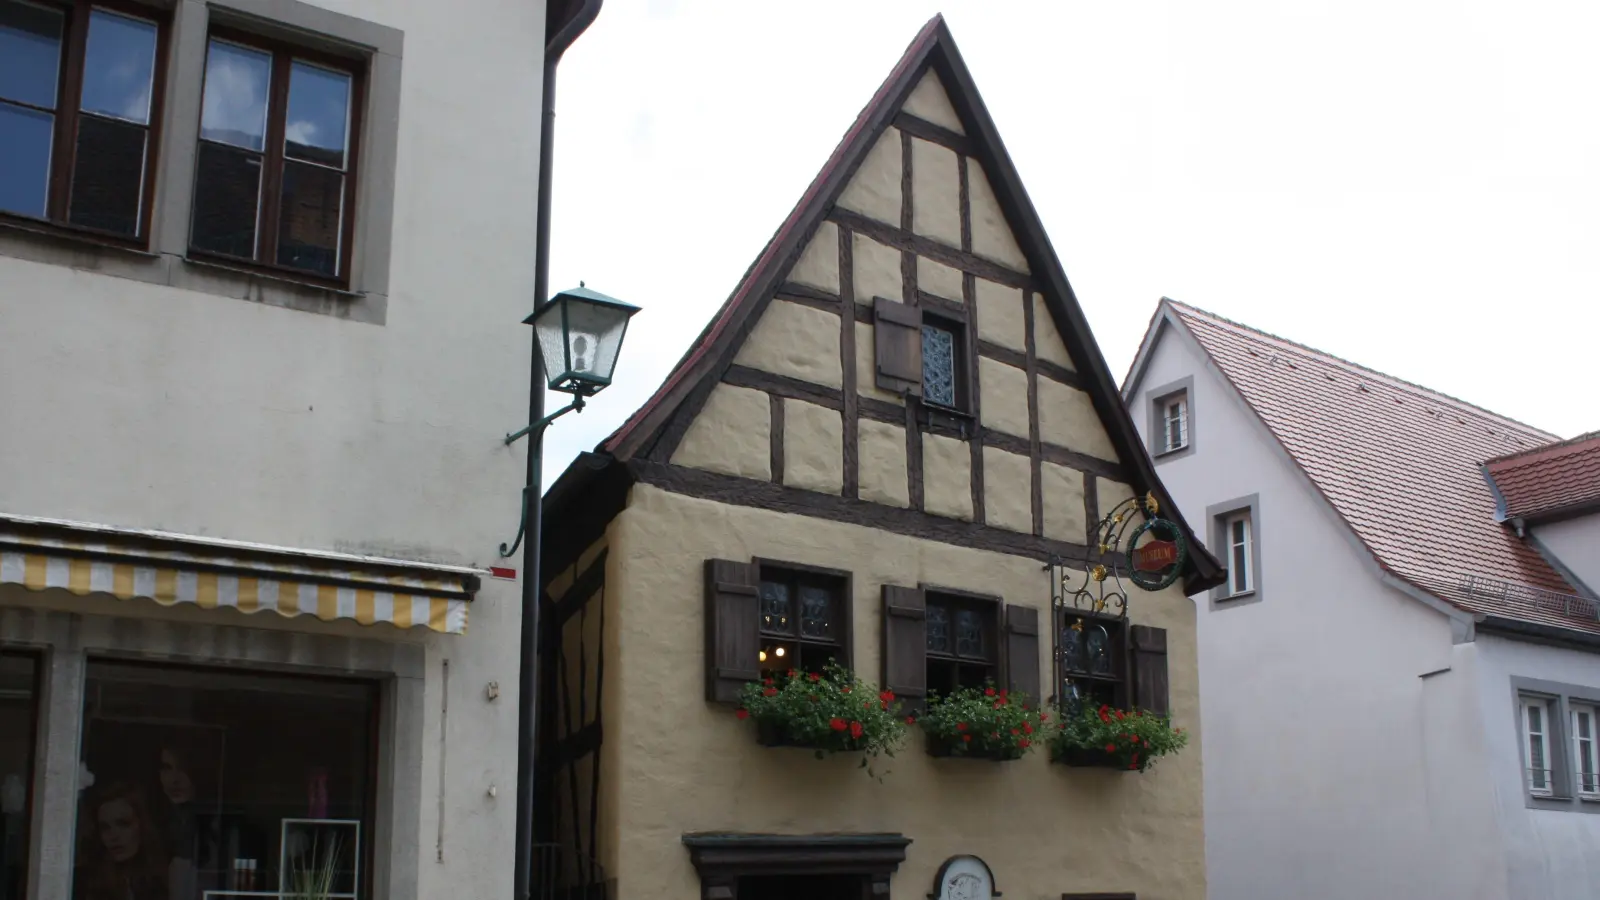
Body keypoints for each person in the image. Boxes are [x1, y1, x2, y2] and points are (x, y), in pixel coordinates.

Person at [73, 784, 169, 900]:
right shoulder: (83, 883)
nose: (113, 836)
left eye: (123, 824)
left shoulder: (165, 879)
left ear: (142, 826)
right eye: (105, 828)